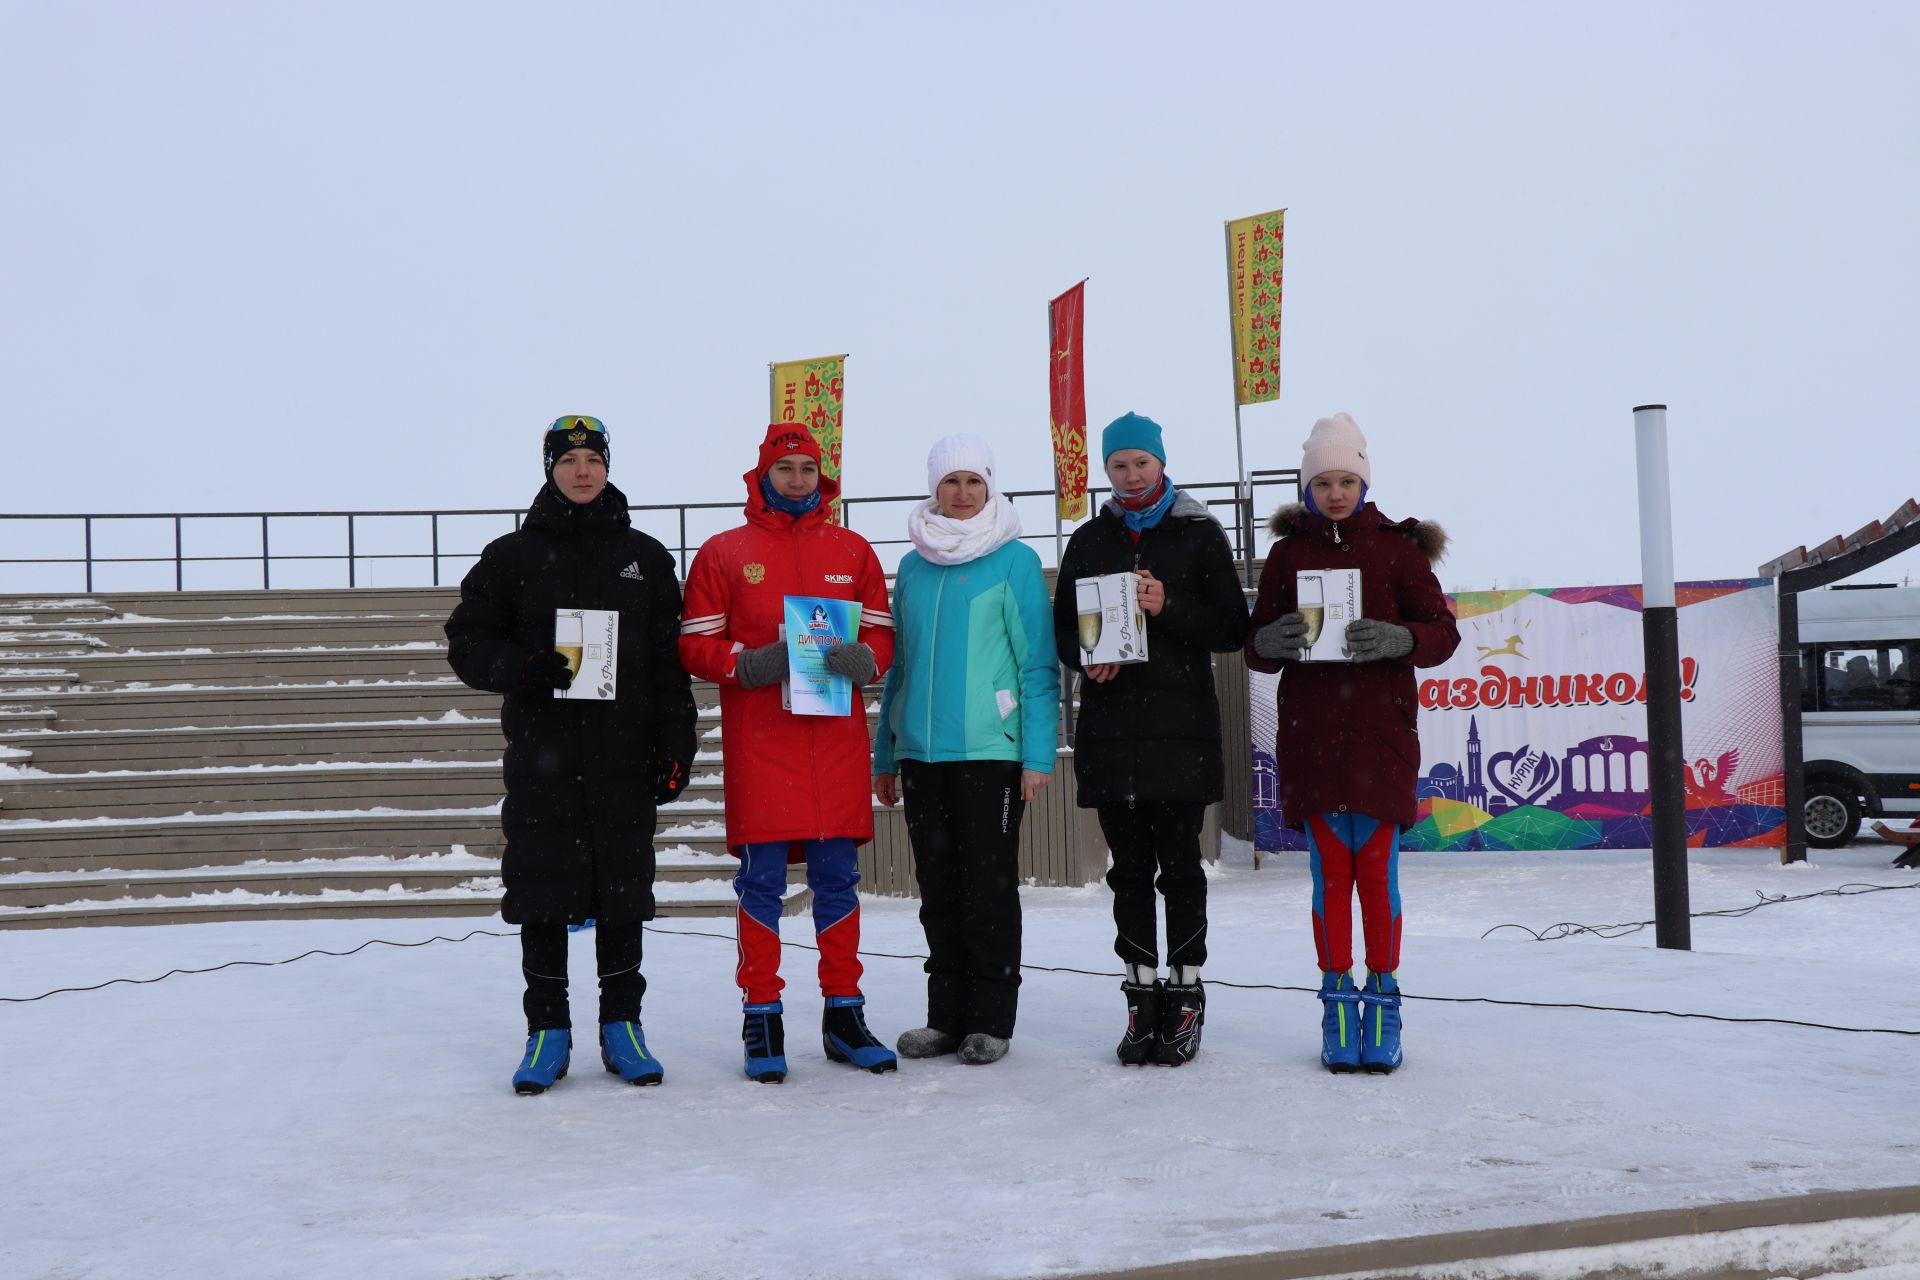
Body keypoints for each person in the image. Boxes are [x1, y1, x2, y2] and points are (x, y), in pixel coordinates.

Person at [445, 414, 697, 1095]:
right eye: (569, 459)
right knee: (542, 895)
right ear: (549, 468)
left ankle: (624, 1027)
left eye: (593, 458)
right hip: (542, 763)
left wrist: (679, 744)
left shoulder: (645, 558)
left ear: (608, 468)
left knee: (623, 896)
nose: (582, 470)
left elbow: (671, 669)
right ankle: (547, 1032)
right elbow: (465, 641)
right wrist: (525, 666)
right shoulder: (511, 556)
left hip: (623, 762)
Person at [678, 423, 899, 1082]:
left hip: (832, 742)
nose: (798, 479)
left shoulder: (853, 550)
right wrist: (751, 664)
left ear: (822, 477)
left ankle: (844, 1011)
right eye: (786, 469)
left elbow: (882, 642)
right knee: (763, 884)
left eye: (808, 468)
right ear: (763, 476)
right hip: (762, 744)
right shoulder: (723, 551)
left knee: (838, 880)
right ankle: (763, 1012)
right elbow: (694, 644)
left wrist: (866, 660)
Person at [1244, 412, 1460, 1075]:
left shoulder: (1399, 548)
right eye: (1323, 483)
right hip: (1311, 742)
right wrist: (1271, 641)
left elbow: (1442, 633)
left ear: (1363, 481)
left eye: (1346, 480)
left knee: (1378, 879)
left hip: (1380, 743)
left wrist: (1402, 640)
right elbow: (1254, 644)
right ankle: (1337, 998)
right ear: (1306, 488)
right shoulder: (1287, 554)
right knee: (1328, 880)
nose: (1335, 493)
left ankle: (1385, 998)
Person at [1052, 412, 1252, 1067]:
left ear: (1161, 464)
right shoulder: (1088, 540)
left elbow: (1231, 626)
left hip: (1181, 734)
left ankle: (1186, 996)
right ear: (1105, 472)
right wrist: (1088, 656)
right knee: (1129, 874)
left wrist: (1169, 606)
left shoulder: (1197, 534)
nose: (1131, 474)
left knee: (1182, 870)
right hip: (1111, 736)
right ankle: (1141, 1001)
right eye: (1119, 465)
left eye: (1141, 462)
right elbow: (1063, 632)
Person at [872, 435, 1058, 1066]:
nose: (962, 493)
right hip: (923, 755)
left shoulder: (1015, 562)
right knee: (939, 889)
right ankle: (944, 1018)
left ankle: (990, 1018)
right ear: (933, 488)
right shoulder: (916, 567)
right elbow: (900, 669)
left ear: (990, 487)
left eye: (973, 482)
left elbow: (1037, 666)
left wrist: (1037, 754)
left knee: (988, 888)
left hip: (991, 753)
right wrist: (885, 753)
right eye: (950, 482)